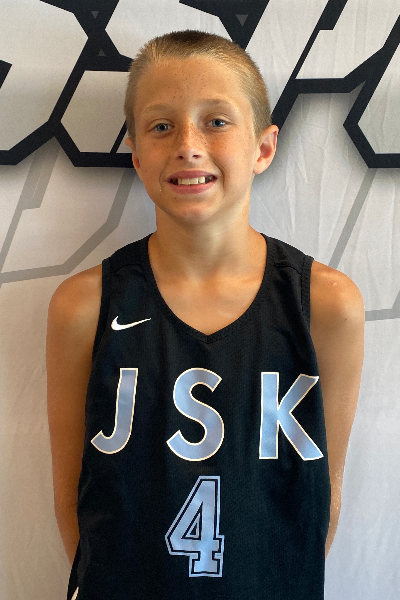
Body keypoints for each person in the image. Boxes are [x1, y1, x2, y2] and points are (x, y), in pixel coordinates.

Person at [46, 30, 364, 600]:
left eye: (216, 121)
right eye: (161, 126)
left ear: (263, 148)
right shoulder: (84, 305)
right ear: (136, 155)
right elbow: (75, 497)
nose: (188, 145)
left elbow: (321, 499)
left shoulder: (326, 303)